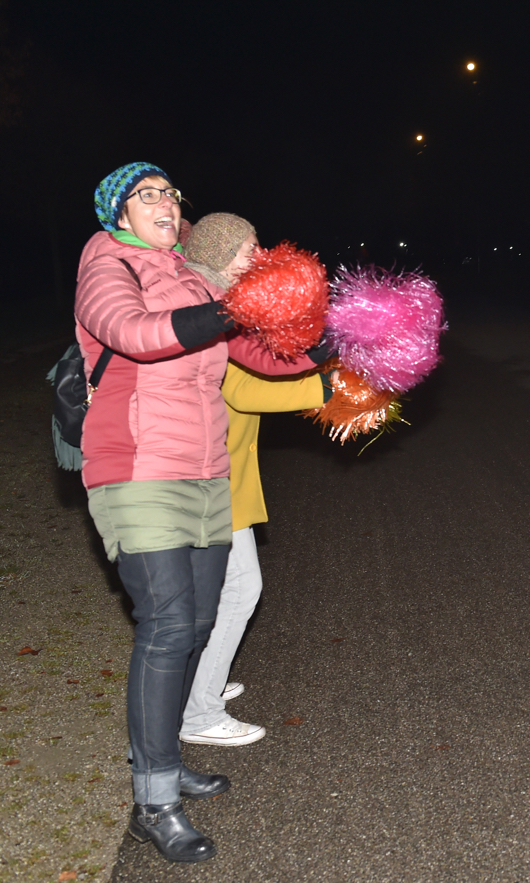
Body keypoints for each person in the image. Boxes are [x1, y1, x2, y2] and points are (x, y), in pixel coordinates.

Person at [76, 163, 312, 861]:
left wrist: (330, 345)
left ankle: (168, 755)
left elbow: (260, 356)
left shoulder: (192, 274)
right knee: (169, 622)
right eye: (147, 194)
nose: (164, 203)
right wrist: (230, 309)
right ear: (118, 209)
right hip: (137, 466)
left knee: (201, 620)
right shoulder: (106, 258)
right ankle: (154, 798)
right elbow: (133, 330)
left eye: (171, 194)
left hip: (209, 473)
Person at [178, 213, 330, 747]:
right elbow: (245, 388)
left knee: (214, 594)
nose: (256, 253)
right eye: (246, 246)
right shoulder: (210, 310)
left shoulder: (220, 301)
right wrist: (326, 389)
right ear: (218, 251)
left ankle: (201, 688)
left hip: (218, 469)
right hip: (208, 475)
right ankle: (197, 714)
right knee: (240, 589)